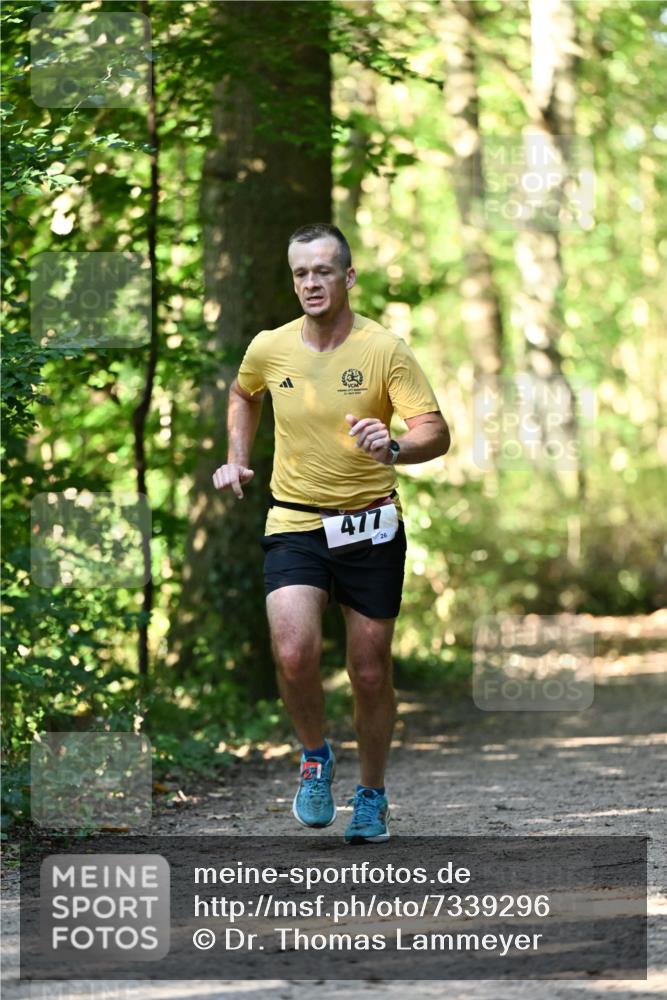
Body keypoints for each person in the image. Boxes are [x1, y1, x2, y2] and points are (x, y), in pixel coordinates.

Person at [212, 223, 450, 843]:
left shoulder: (384, 350)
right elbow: (243, 394)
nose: (311, 283)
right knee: (294, 653)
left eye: (322, 271)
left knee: (370, 671)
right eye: (300, 273)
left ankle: (371, 794)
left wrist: (394, 445)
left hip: (369, 523)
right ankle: (316, 757)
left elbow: (436, 430)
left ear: (348, 278)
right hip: (294, 519)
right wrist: (237, 455)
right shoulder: (271, 346)